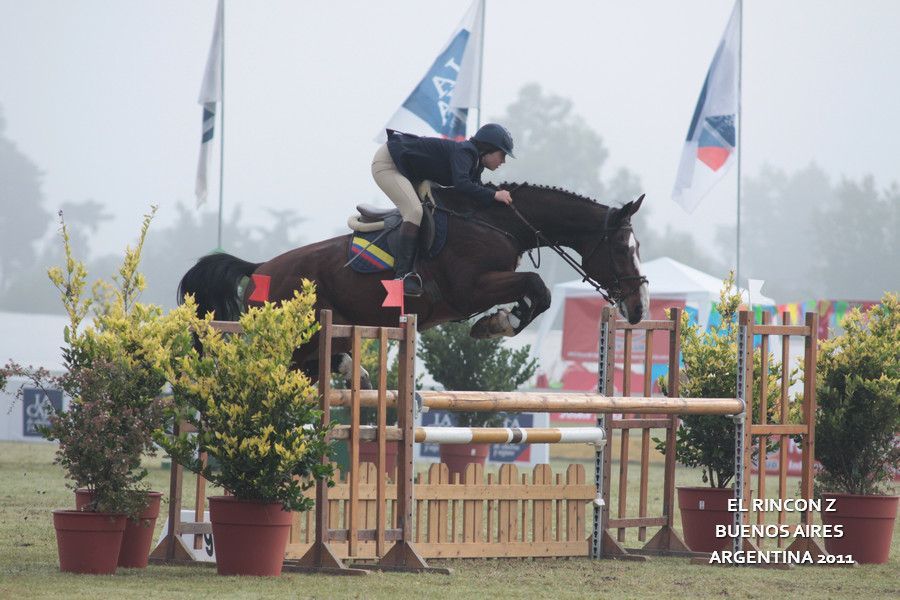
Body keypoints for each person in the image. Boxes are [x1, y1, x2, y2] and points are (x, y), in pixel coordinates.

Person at [371, 123, 515, 296]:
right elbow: (462, 185)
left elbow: (474, 195)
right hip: (389, 164)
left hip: (408, 171)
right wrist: (494, 195)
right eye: (502, 155)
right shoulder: (465, 152)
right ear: (489, 149)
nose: (503, 161)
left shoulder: (476, 163)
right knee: (414, 212)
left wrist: (496, 200)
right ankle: (402, 276)